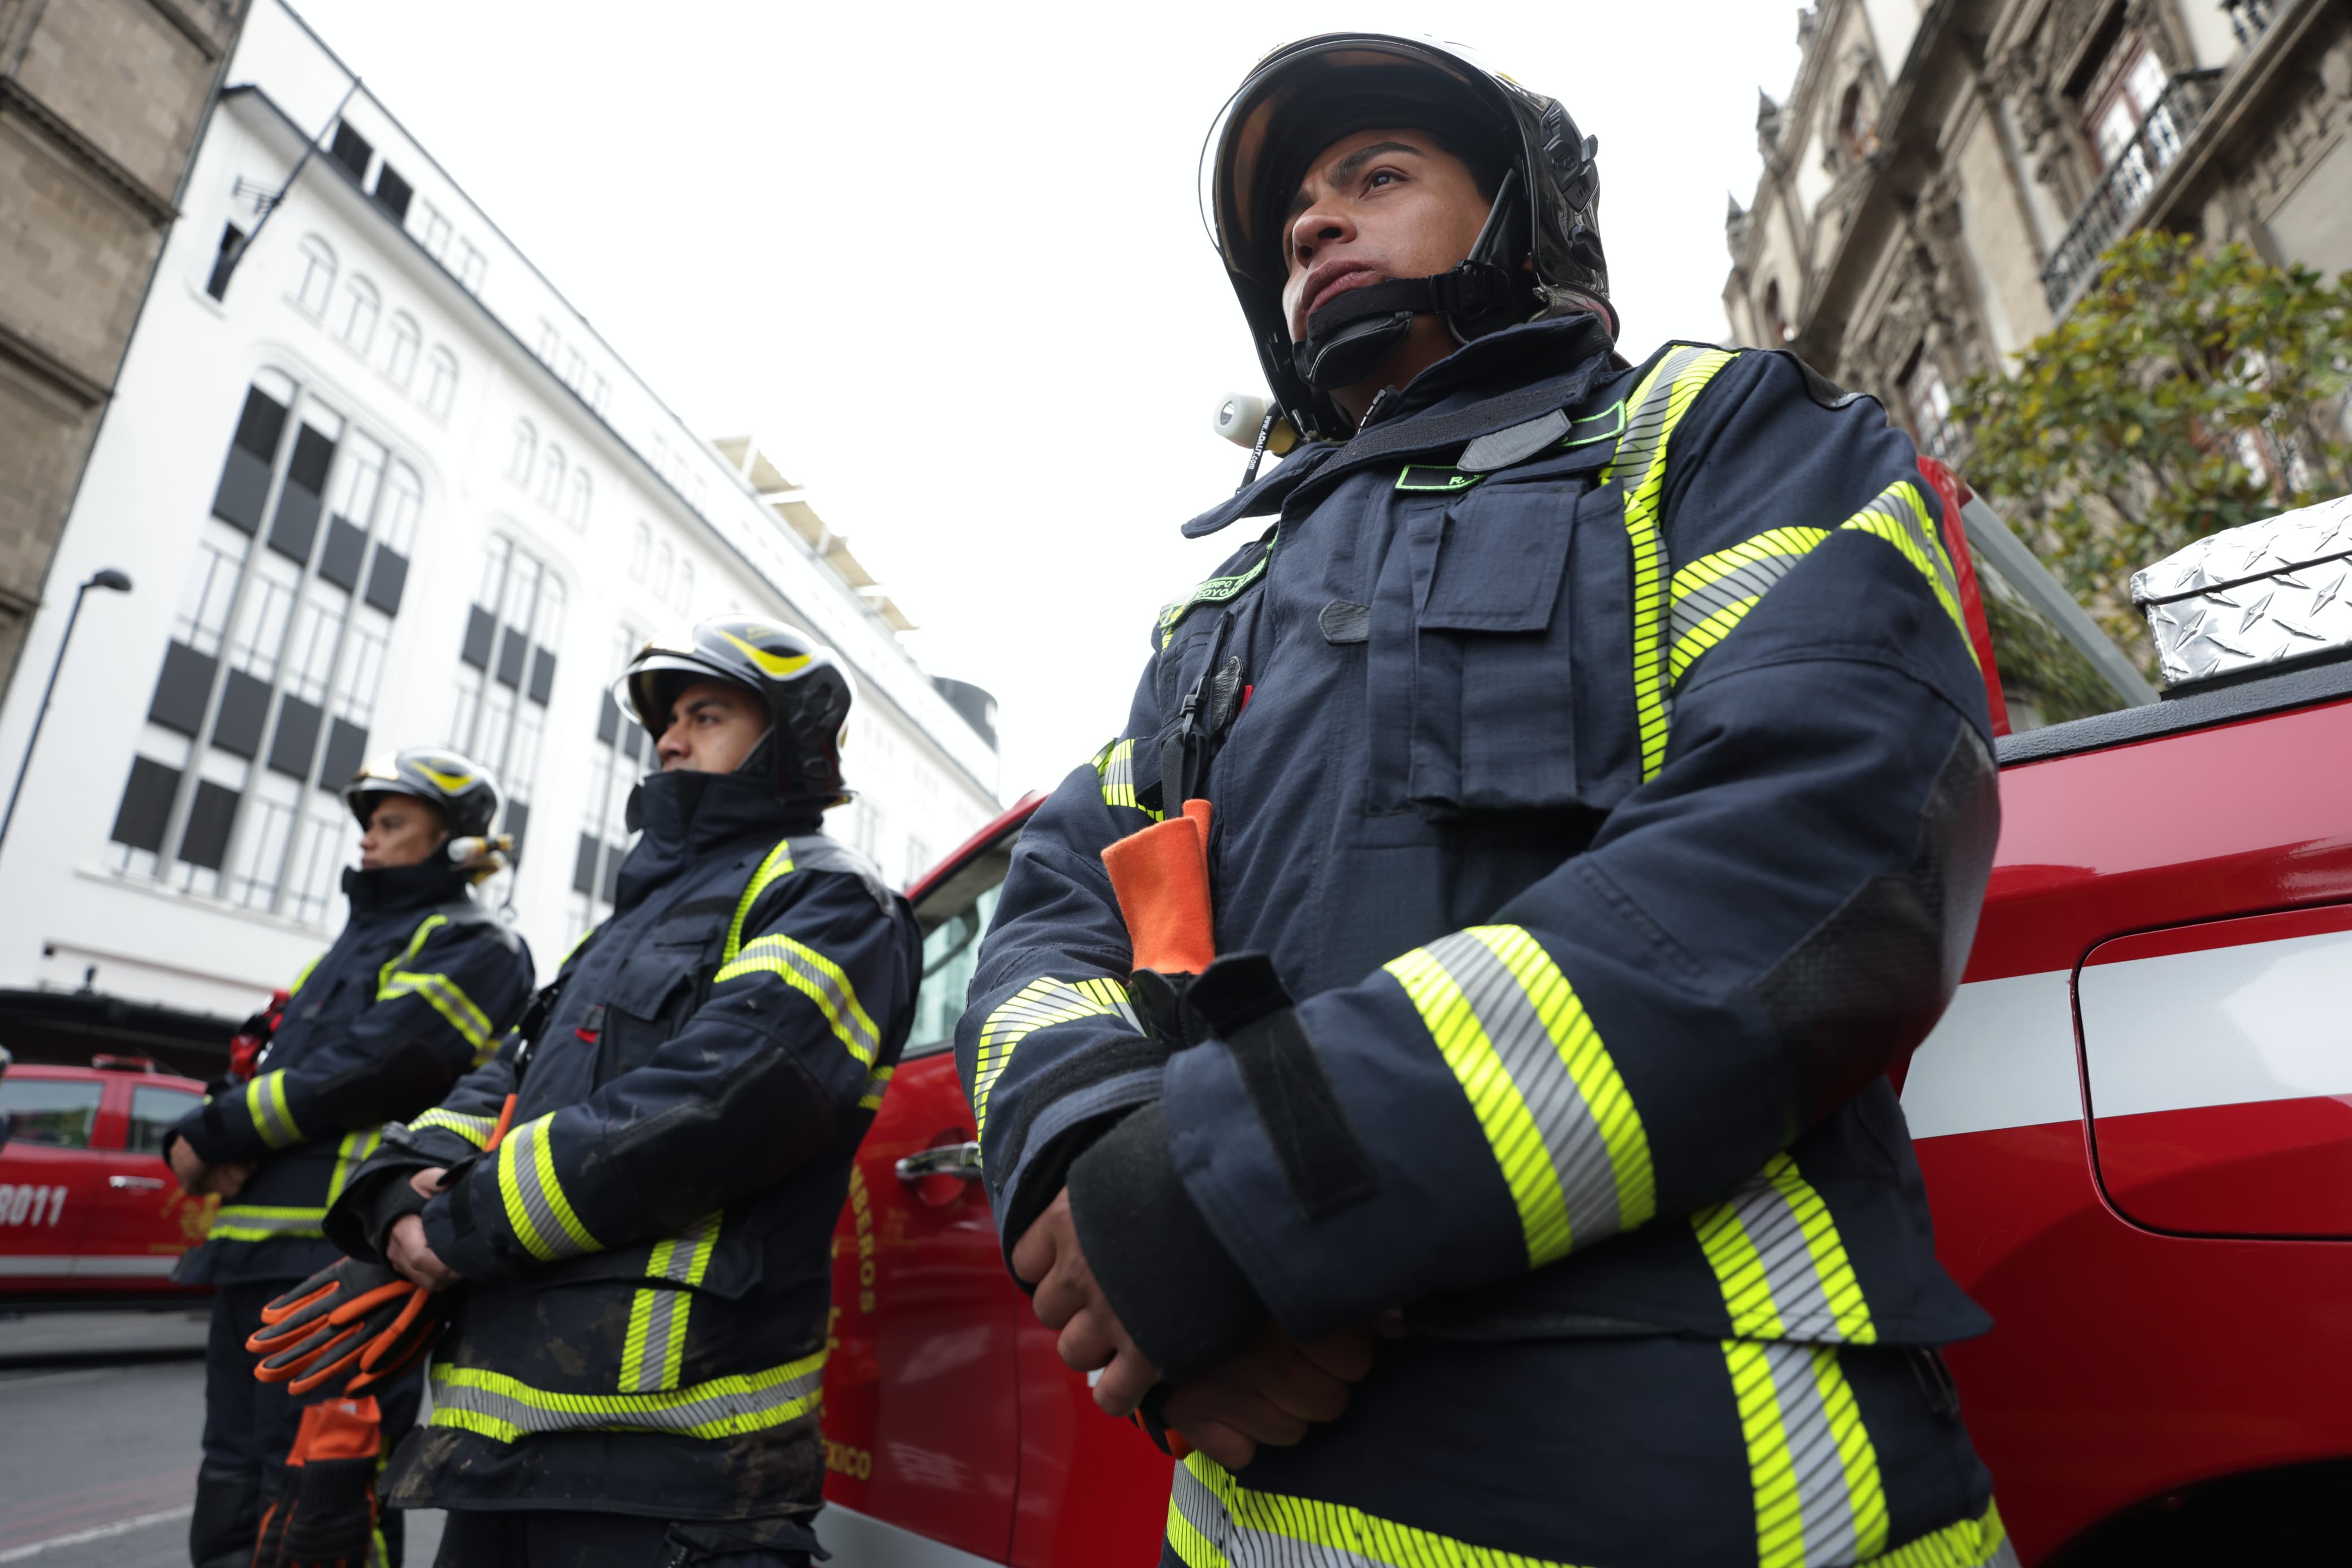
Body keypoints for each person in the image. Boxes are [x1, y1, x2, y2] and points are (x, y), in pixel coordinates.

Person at [959, 34, 2017, 1568]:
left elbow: (1830, 841)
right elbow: (1075, 921)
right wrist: (1100, 1181)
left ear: (1529, 218)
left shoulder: (1723, 443)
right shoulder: (1214, 618)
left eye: (1375, 177)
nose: (1313, 227)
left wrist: (1237, 1197)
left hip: (1691, 1474)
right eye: (1292, 220)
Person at [322, 617, 921, 1568]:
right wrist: (401, 1184)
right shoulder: (628, 925)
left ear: (790, 744)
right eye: (668, 721)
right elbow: (507, 1077)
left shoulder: (829, 897)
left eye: (707, 714)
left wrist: (455, 1223)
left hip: (679, 1479)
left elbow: (722, 1101)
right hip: (497, 1460)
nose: (669, 740)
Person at [167, 748, 535, 1568]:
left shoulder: (476, 941)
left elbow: (373, 1066)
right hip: (253, 1253)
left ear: (459, 844)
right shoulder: (340, 950)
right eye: (369, 821)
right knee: (232, 1477)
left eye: (394, 821)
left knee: (327, 1494)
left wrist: (215, 1133)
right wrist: (205, 1125)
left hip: (345, 1260)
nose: (369, 837)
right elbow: (270, 1062)